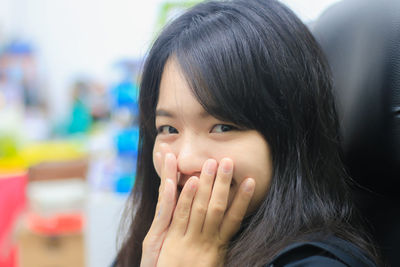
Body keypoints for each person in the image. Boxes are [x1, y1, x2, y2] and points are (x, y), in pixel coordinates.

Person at [114, 0, 379, 266]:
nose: (186, 160)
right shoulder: (154, 243)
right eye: (169, 129)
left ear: (288, 133)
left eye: (223, 127)